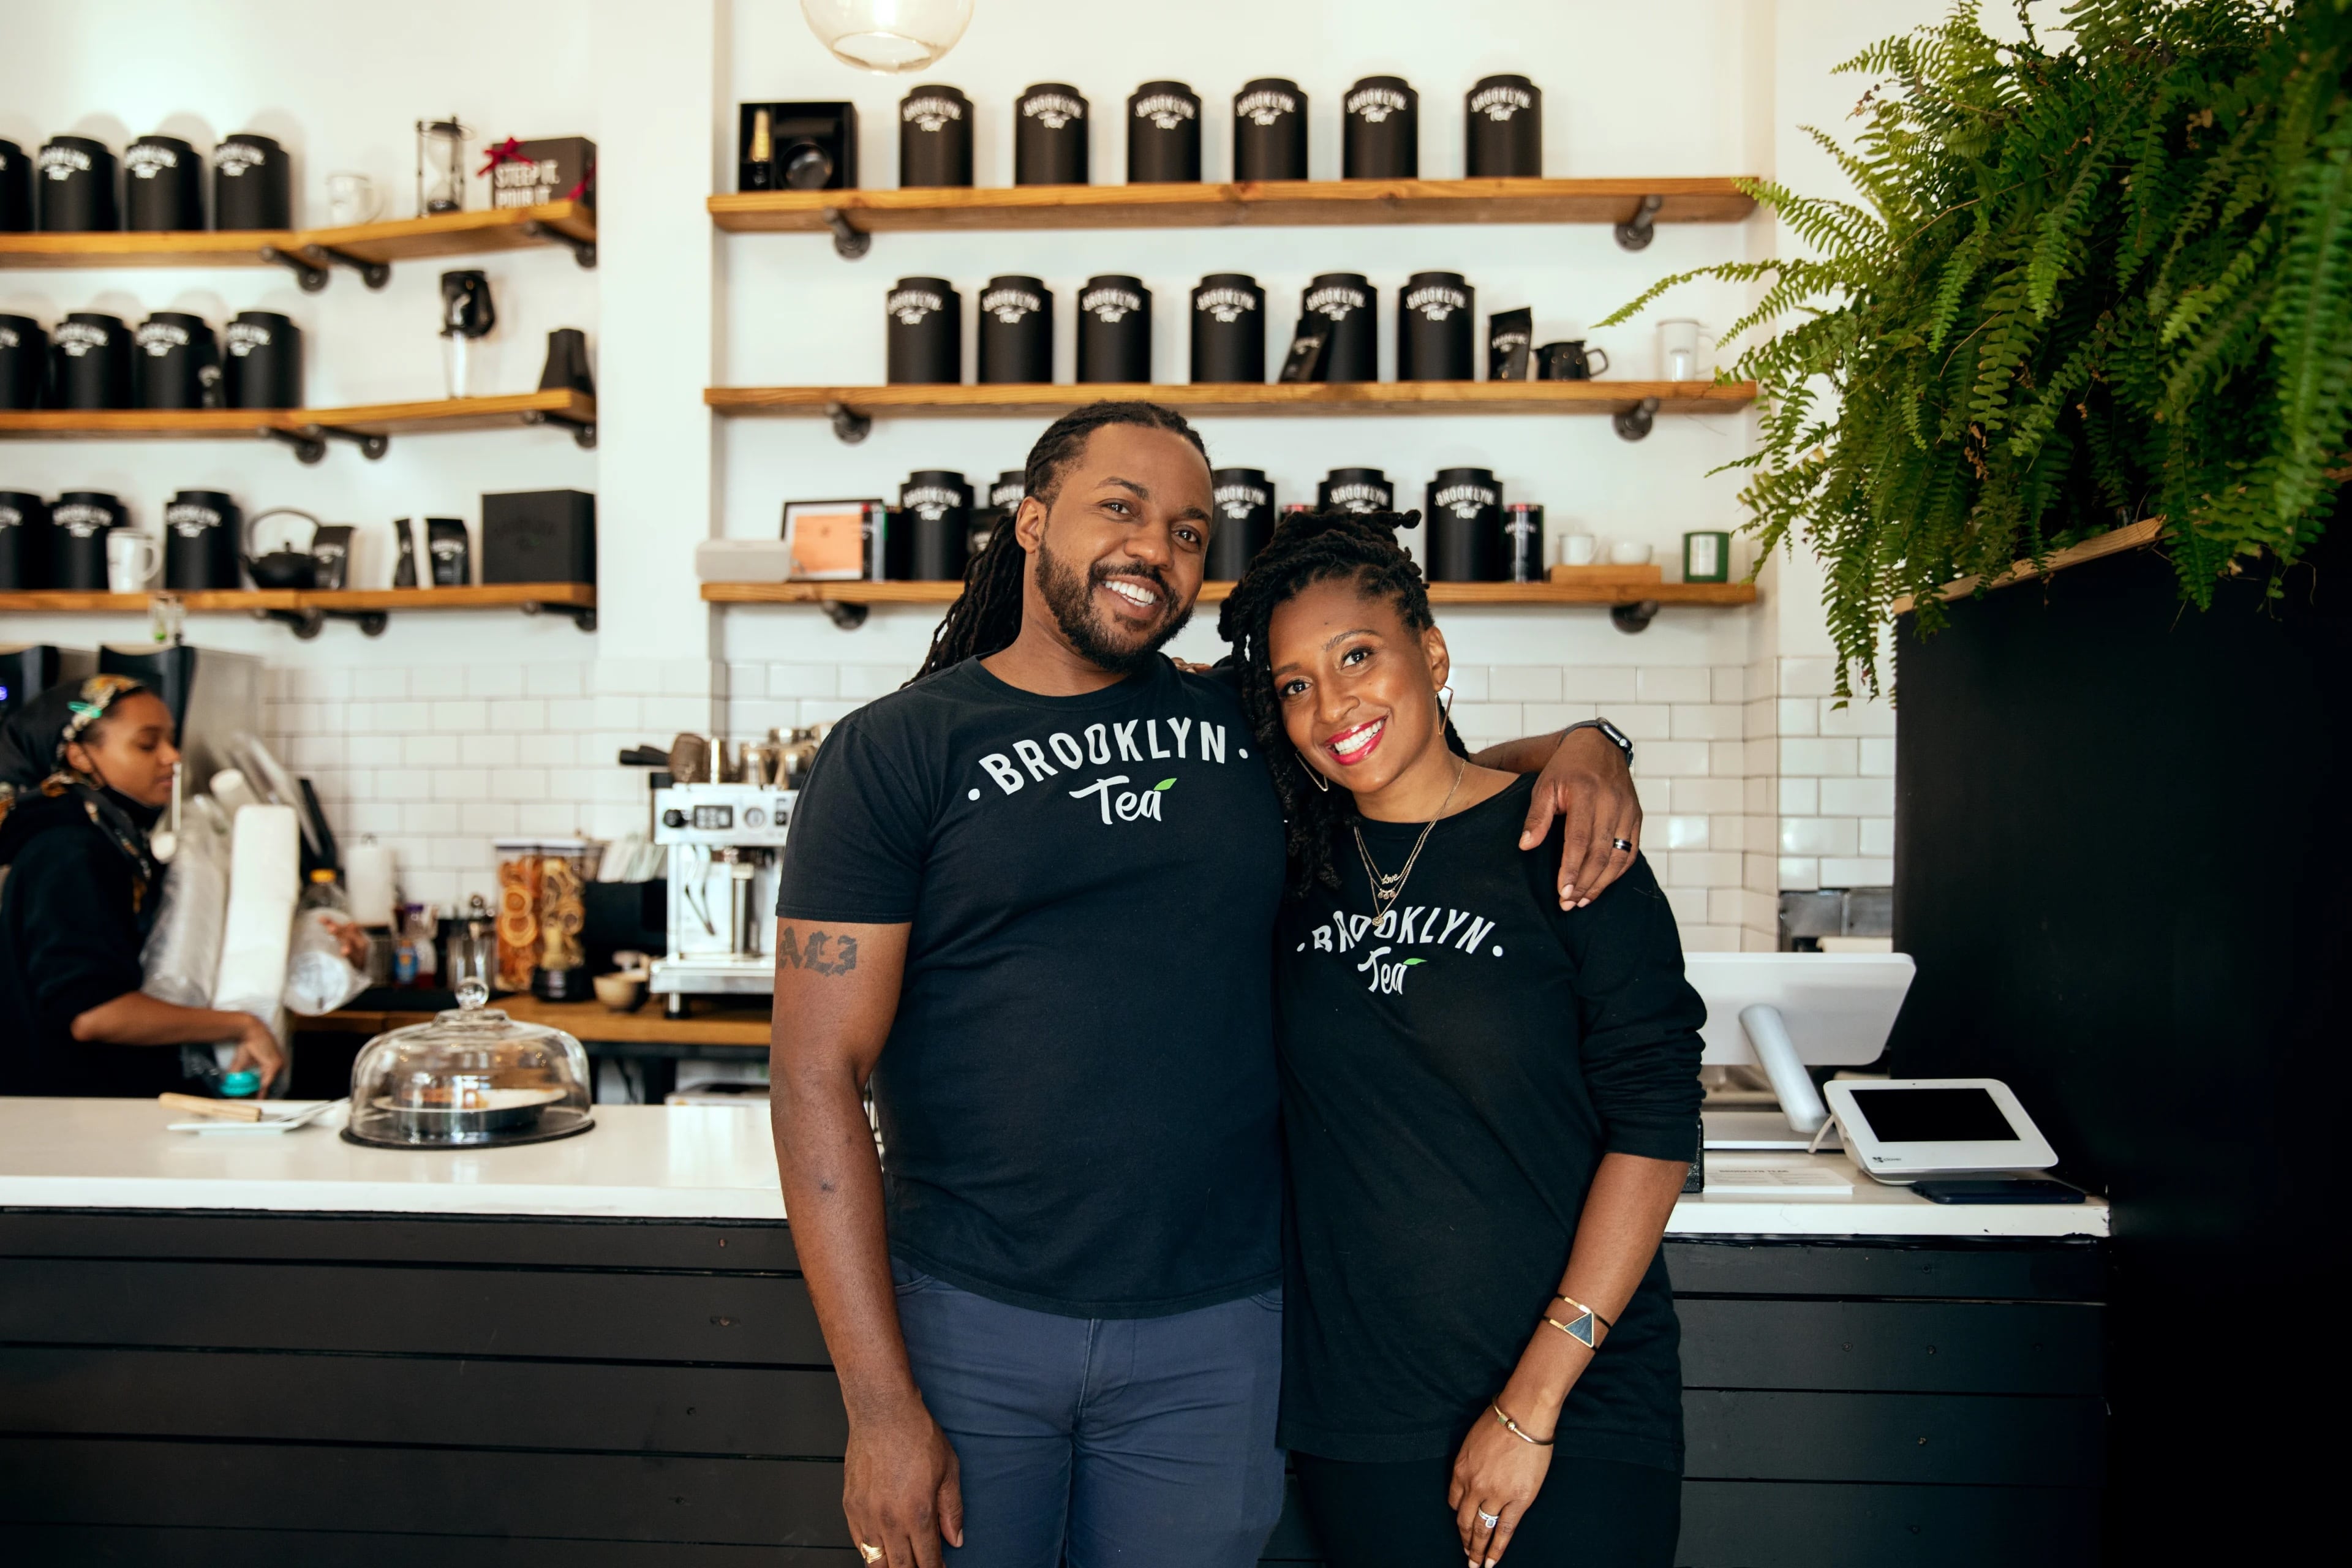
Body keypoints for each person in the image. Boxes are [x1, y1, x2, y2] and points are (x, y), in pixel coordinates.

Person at [767, 400, 1648, 1568]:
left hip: (1218, 1333)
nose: (1156, 548)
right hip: (970, 1317)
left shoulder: (1241, 719)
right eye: (1119, 509)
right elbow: (814, 1072)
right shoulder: (897, 750)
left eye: (1189, 531)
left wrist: (1589, 744)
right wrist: (879, 1409)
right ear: (1031, 521)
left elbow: (1408, 759)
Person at [1218, 508, 1704, 1568]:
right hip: (1361, 1419)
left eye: (1359, 656)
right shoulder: (1287, 858)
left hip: (1577, 1415)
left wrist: (1531, 1407)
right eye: (1296, 682)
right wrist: (1585, 737)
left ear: (1432, 655)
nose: (1332, 703)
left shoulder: (1564, 845)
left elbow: (1657, 1128)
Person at [0, 674, 284, 1096]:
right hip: (72, 1116)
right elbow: (93, 1013)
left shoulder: (111, 839)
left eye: (172, 741)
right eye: (147, 744)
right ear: (78, 756)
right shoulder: (68, 850)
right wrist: (242, 1025)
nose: (172, 757)